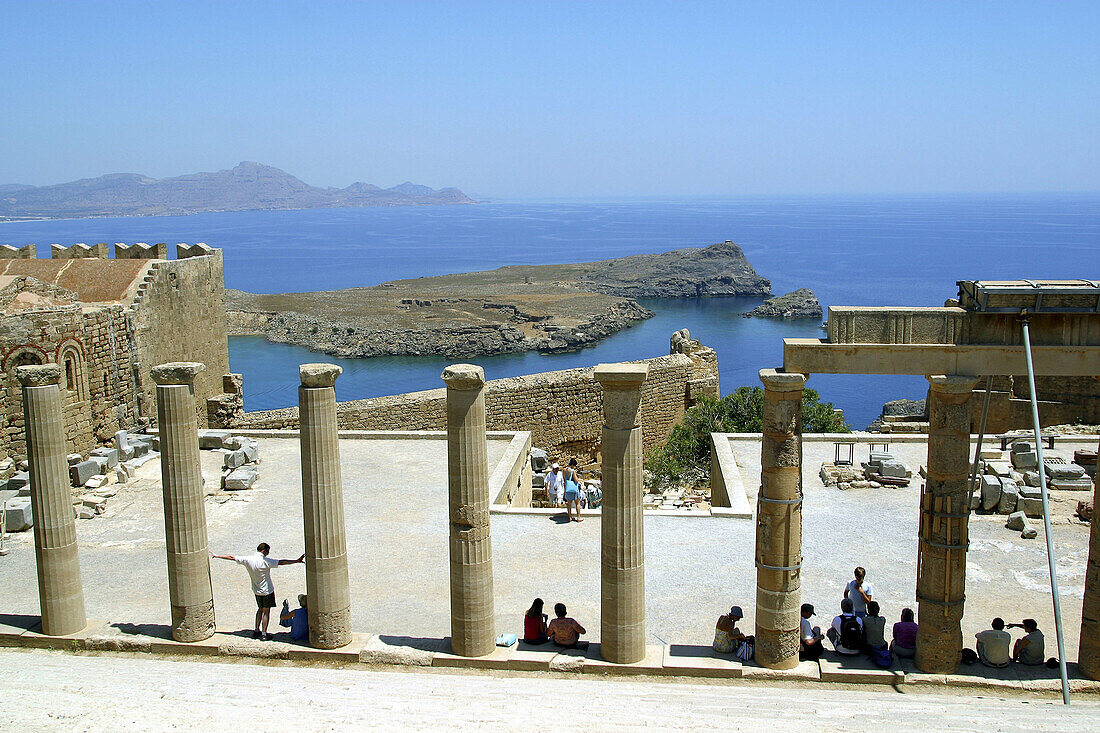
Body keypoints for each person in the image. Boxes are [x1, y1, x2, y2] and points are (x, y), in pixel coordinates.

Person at [213, 542, 305, 640]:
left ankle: (256, 630)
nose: (268, 553)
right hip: (267, 590)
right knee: (266, 611)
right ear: (264, 550)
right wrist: (296, 561)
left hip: (256, 590)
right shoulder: (265, 561)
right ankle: (264, 634)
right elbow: (281, 562)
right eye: (268, 551)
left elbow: (232, 557)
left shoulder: (248, 559)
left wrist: (217, 556)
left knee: (260, 609)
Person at [562, 458, 584, 523]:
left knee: (569, 504)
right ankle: (578, 517)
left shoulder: (564, 470)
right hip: (574, 488)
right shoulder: (572, 471)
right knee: (577, 503)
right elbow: (576, 480)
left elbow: (564, 479)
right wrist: (578, 478)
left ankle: (570, 517)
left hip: (567, 488)